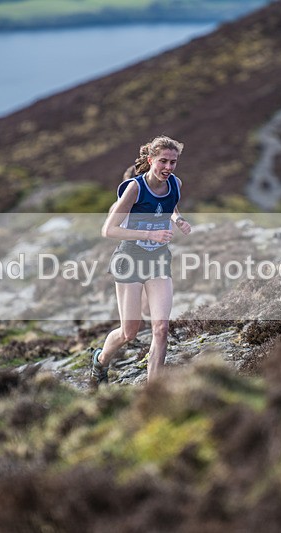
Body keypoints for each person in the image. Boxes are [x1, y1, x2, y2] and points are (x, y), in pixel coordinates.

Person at [91, 135, 192, 385]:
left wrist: (177, 220)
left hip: (158, 260)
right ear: (150, 160)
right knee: (129, 332)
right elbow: (108, 230)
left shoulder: (176, 184)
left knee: (161, 328)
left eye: (173, 162)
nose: (168, 167)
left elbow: (168, 206)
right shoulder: (134, 188)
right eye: (163, 161)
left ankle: (152, 391)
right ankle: (100, 361)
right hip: (130, 260)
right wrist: (150, 233)